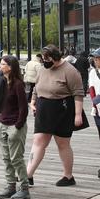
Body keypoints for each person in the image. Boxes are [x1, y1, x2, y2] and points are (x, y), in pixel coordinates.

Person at [27, 45, 85, 187]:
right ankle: (28, 174)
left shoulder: (70, 71)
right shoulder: (42, 69)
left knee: (63, 143)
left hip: (63, 109)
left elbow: (78, 93)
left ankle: (68, 176)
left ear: (54, 58)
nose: (44, 62)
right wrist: (33, 100)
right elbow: (36, 86)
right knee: (39, 140)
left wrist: (78, 115)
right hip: (44, 108)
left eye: (47, 59)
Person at [0, 55, 30, 199]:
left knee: (16, 158)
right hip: (2, 124)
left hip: (15, 125)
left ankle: (24, 187)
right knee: (6, 158)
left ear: (10, 67)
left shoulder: (18, 84)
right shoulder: (1, 82)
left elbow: (23, 107)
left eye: (3, 64)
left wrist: (18, 125)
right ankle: (10, 186)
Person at [89, 48, 100, 178]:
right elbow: (91, 89)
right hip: (98, 108)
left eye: (97, 58)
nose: (96, 61)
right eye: (95, 58)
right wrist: (95, 104)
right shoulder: (93, 72)